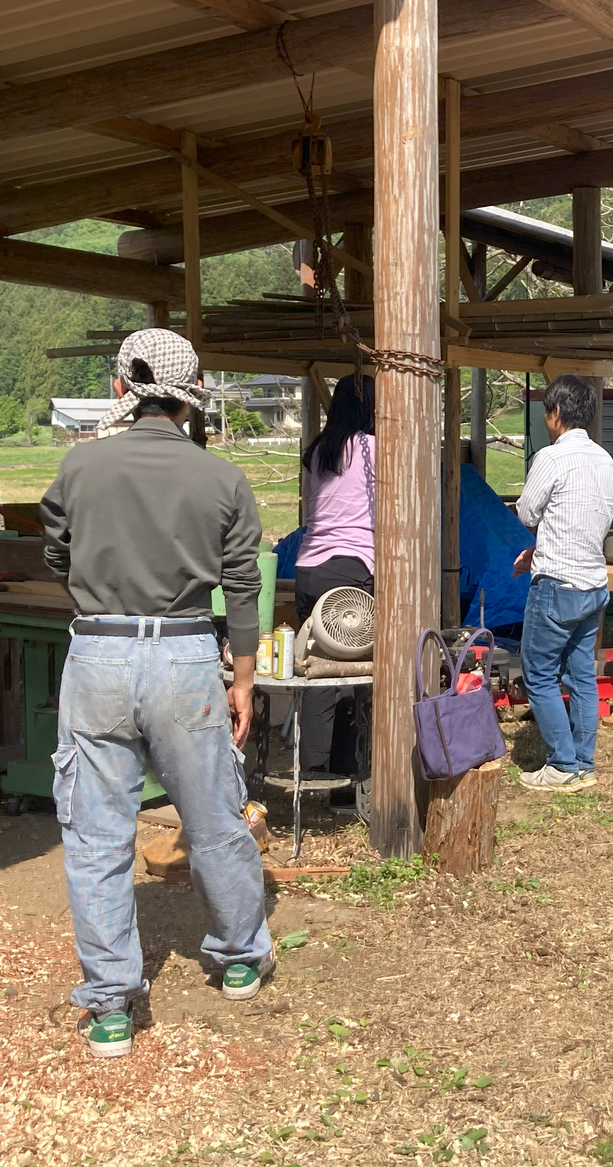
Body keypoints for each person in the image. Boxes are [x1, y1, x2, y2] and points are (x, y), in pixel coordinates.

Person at [40, 329, 273, 1059]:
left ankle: (111, 1006)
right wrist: (243, 679)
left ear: (121, 389)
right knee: (215, 815)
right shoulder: (223, 479)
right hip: (184, 655)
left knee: (96, 833)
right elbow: (243, 586)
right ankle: (238, 958)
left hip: (99, 650)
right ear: (191, 395)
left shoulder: (79, 468)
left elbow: (55, 552)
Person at [512, 374, 613, 793]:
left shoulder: (551, 458)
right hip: (593, 583)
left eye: (545, 412)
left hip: (556, 584)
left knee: (538, 674)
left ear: (555, 413)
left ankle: (561, 764)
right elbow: (580, 521)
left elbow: (526, 512)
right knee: (582, 677)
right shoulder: (605, 461)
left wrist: (540, 548)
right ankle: (583, 763)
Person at [290, 373, 376, 780]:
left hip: (308, 567)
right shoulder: (372, 449)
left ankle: (310, 766)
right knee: (352, 672)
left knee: (316, 667)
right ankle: (341, 772)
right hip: (349, 567)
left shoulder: (318, 450)